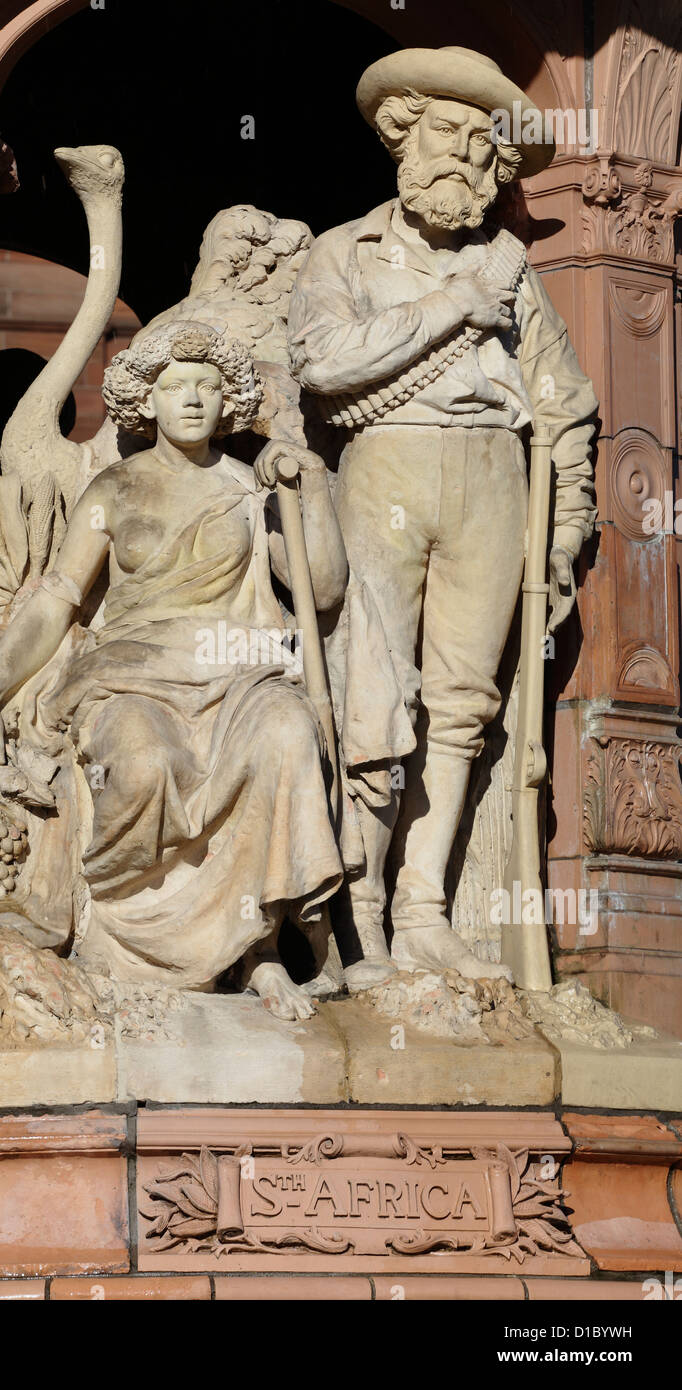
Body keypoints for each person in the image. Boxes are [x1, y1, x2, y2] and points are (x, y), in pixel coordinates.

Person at [287, 46, 598, 980]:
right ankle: (357, 914)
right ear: (402, 135)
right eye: (444, 133)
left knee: (465, 705)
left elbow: (567, 406)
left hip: (496, 481)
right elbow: (323, 362)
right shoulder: (343, 252)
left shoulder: (514, 270)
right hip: (386, 468)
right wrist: (451, 310)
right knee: (374, 695)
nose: (460, 156)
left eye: (480, 144)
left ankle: (425, 908)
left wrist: (565, 532)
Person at [0, 321, 348, 1020]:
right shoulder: (115, 489)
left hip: (236, 672)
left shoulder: (250, 488)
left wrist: (311, 486)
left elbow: (320, 593)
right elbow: (56, 598)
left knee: (288, 733)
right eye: (176, 387)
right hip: (133, 676)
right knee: (141, 766)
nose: (193, 400)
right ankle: (118, 939)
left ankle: (256, 950)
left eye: (207, 386)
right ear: (148, 401)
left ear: (229, 398)